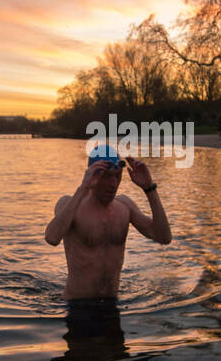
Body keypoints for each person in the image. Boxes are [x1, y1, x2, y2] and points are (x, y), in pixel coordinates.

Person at [44, 143, 172, 334]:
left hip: (113, 305)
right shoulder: (70, 204)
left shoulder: (125, 206)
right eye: (106, 177)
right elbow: (52, 237)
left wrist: (149, 188)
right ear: (92, 176)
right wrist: (83, 186)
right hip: (77, 306)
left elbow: (164, 237)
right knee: (82, 355)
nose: (113, 184)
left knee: (114, 354)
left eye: (117, 177)